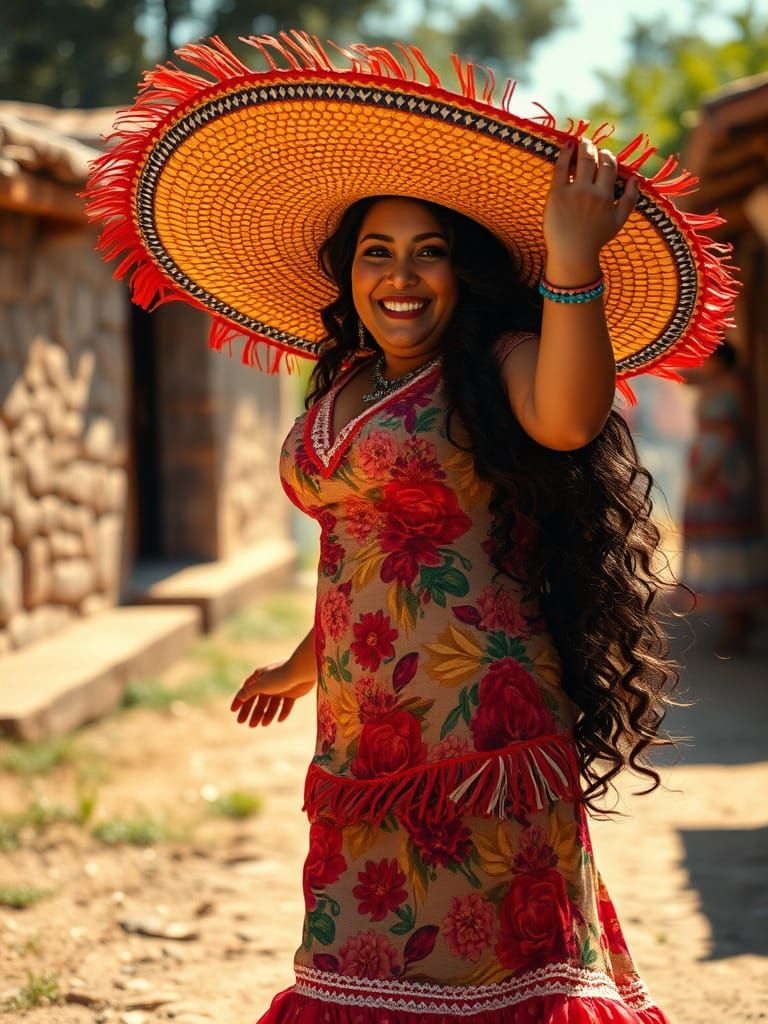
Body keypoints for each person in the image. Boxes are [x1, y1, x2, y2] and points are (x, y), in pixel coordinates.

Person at [84, 31, 737, 1024]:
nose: (402, 275)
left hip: (482, 733)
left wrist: (571, 255)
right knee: (364, 966)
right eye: (377, 253)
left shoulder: (508, 359)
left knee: (493, 979)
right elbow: (365, 556)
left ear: (464, 272)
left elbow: (568, 418)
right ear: (346, 273)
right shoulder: (346, 384)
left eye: (430, 252)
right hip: (361, 742)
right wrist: (301, 665)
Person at [681, 340, 768, 654]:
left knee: (731, 547)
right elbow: (683, 374)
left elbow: (734, 430)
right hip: (709, 466)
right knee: (717, 545)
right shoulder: (711, 384)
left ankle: (737, 623)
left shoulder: (733, 385)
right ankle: (735, 621)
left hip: (725, 470)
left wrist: (710, 470)